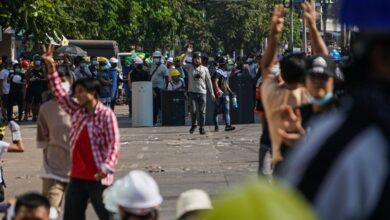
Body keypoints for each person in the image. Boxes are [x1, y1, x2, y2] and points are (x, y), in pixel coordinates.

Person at [278, 1, 390, 219]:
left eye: (323, 78)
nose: (319, 82)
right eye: (315, 78)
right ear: (381, 57)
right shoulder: (345, 152)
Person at [41, 44, 120, 220]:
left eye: (81, 92)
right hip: (77, 175)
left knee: (107, 215)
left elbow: (113, 144)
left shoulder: (106, 115)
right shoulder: (77, 110)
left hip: (98, 174)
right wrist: (51, 67)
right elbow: (61, 93)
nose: (77, 96)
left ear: (93, 93)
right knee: (72, 215)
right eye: (76, 93)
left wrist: (107, 167)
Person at [260, 5, 307, 165]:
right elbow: (324, 59)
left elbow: (266, 66)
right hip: (308, 159)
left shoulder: (273, 94)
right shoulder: (310, 96)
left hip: (280, 159)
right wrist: (312, 27)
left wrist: (274, 33)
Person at [36, 67, 72, 211]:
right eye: (55, 81)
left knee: (73, 211)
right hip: (53, 170)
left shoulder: (79, 106)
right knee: (50, 209)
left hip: (77, 170)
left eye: (62, 81)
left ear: (70, 81)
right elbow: (42, 140)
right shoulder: (45, 109)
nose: (59, 85)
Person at [184, 51, 215, 135]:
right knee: (193, 111)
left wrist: (212, 93)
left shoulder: (205, 69)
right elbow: (181, 63)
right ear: (193, 59)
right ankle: (194, 124)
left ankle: (202, 128)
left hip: (202, 93)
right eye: (195, 58)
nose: (197, 60)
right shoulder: (189, 67)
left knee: (202, 111)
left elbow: (209, 81)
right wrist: (186, 54)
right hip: (192, 93)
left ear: (201, 59)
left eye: (199, 58)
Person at [212, 56, 235, 132]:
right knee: (217, 111)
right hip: (219, 94)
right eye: (226, 63)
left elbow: (226, 84)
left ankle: (228, 125)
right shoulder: (217, 72)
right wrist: (218, 91)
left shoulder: (225, 72)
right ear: (224, 64)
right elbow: (215, 82)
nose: (227, 65)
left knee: (226, 110)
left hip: (225, 94)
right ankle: (216, 126)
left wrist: (231, 92)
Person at [150, 51, 169, 125]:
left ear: (160, 58)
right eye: (154, 57)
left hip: (160, 89)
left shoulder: (163, 67)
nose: (155, 59)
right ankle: (154, 121)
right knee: (154, 106)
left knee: (161, 105)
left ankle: (164, 120)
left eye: (157, 57)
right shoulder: (152, 66)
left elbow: (167, 78)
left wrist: (166, 88)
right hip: (152, 89)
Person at [24, 56, 46, 121]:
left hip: (39, 87)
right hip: (30, 87)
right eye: (36, 60)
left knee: (37, 103)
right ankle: (25, 115)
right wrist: (30, 79)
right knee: (28, 102)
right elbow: (25, 77)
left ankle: (35, 116)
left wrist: (39, 79)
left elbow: (46, 78)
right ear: (34, 61)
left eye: (38, 60)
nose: (37, 61)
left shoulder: (43, 69)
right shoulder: (30, 69)